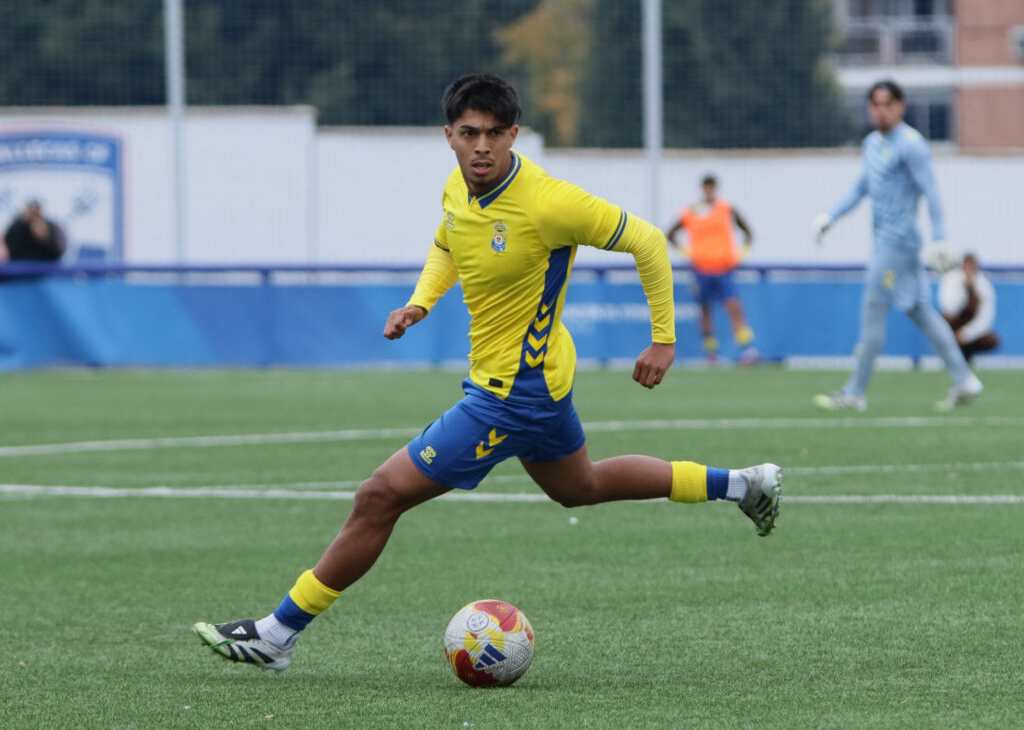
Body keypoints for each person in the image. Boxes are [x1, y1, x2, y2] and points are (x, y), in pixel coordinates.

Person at [192, 73, 783, 671]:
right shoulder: (458, 187)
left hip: (513, 395)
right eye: (470, 133)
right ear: (449, 135)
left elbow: (649, 241)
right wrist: (421, 302)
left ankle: (277, 633)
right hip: (537, 383)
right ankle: (743, 484)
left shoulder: (548, 202)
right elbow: (448, 243)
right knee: (580, 487)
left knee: (378, 496)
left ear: (513, 135)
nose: (482, 146)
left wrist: (663, 340)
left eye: (495, 134)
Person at [812, 80, 982, 413]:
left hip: (897, 245)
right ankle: (964, 379)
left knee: (873, 309)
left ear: (900, 107)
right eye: (875, 104)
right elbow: (860, 188)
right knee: (922, 312)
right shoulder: (872, 144)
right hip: (886, 243)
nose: (881, 111)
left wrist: (940, 237)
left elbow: (931, 191)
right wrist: (829, 216)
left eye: (887, 104)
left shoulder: (911, 144)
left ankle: (855, 392)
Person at [664, 175, 758, 364]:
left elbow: (748, 232)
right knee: (705, 310)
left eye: (712, 187)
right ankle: (712, 353)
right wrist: (686, 252)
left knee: (734, 308)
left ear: (715, 188)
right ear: (702, 189)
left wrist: (743, 251)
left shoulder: (726, 208)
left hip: (724, 269)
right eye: (706, 187)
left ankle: (747, 350)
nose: (709, 190)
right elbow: (670, 233)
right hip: (702, 270)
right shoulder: (691, 212)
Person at [939, 253, 999, 363]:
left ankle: (967, 352)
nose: (968, 270)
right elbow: (949, 310)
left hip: (971, 330)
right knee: (944, 321)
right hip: (954, 325)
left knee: (992, 340)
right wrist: (965, 288)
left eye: (971, 267)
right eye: (966, 266)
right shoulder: (951, 280)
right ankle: (949, 353)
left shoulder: (984, 286)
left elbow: (984, 319)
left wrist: (965, 334)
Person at [2, 199, 66, 262]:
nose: (33, 213)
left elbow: (56, 254)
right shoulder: (16, 228)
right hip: (20, 266)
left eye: (36, 210)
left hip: (44, 266)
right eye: (31, 210)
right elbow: (9, 252)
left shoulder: (49, 227)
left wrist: (44, 239)